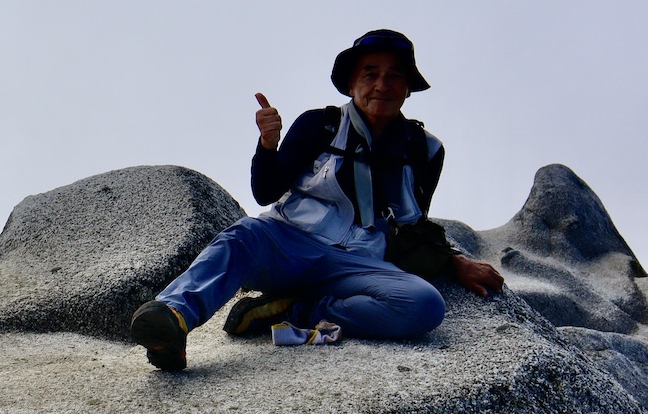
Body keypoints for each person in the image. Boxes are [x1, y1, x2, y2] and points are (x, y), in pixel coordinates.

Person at [130, 29, 504, 371]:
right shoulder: (319, 124)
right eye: (370, 74)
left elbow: (413, 225)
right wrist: (268, 145)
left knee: (425, 305)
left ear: (408, 88)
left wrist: (453, 261)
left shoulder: (425, 149)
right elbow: (266, 191)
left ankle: (297, 310)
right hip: (289, 242)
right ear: (351, 84)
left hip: (358, 263)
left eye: (394, 75)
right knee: (244, 234)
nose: (381, 85)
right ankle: (172, 318)